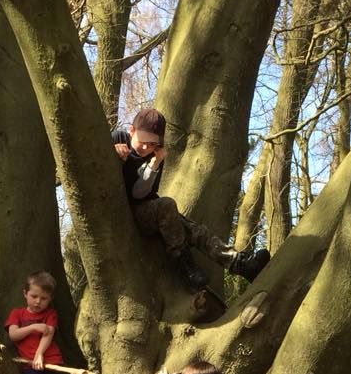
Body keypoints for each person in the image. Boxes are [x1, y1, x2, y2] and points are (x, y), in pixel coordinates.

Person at [113, 108, 269, 290]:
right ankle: (186, 266)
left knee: (194, 229)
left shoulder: (155, 157)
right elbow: (132, 196)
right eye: (143, 141)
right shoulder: (117, 140)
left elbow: (141, 194)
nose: (147, 148)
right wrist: (112, 152)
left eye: (153, 145)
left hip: (149, 210)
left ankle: (239, 264)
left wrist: (154, 164)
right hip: (126, 214)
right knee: (167, 204)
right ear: (131, 131)